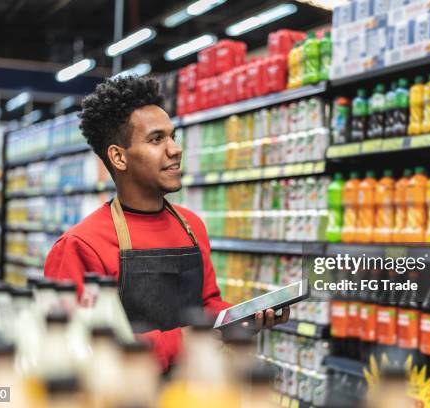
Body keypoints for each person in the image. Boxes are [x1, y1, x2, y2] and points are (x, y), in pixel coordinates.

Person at [44, 76, 290, 371]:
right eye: (156, 139)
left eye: (173, 136)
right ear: (118, 157)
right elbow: (74, 349)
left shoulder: (191, 226)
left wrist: (242, 317)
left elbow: (207, 305)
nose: (175, 149)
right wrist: (179, 342)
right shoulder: (81, 245)